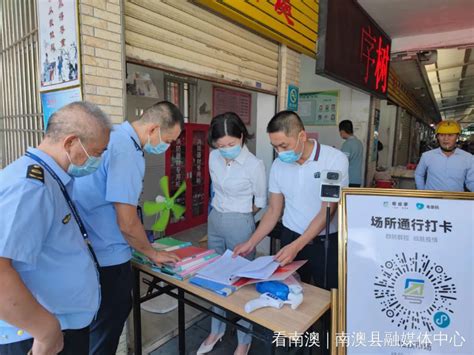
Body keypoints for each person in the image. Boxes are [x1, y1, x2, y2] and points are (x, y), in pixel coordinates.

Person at [0, 102, 112, 355]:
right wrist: (46, 331)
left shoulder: (48, 178)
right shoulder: (30, 186)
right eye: (97, 152)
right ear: (71, 143)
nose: (99, 160)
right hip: (38, 336)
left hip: (56, 327)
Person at [73, 101, 183, 354]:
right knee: (106, 327)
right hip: (108, 254)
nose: (168, 146)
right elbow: (127, 220)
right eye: (168, 139)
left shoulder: (112, 137)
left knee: (94, 326)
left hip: (89, 248)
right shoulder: (126, 150)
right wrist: (152, 253)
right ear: (154, 129)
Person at [234, 110, 348, 289]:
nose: (280, 152)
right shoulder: (279, 165)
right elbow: (273, 211)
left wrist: (298, 246)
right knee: (290, 293)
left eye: (284, 146)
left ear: (302, 136)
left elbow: (328, 209)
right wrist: (251, 242)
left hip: (324, 243)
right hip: (290, 237)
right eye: (275, 147)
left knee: (326, 297)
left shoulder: (333, 160)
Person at [197, 113, 267, 355]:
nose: (225, 149)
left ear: (241, 137)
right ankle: (216, 330)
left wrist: (242, 217)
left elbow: (260, 202)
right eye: (220, 145)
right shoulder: (214, 157)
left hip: (241, 222)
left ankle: (243, 339)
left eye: (231, 144)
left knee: (240, 281)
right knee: (214, 276)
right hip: (215, 219)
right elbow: (215, 190)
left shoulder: (254, 165)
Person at [415, 120, 473, 192]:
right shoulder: (427, 156)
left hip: (456, 200)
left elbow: (471, 181)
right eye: (442, 135)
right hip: (432, 200)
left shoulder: (468, 158)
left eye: (450, 135)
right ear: (437, 137)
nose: (446, 139)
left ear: (457, 137)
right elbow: (419, 175)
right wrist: (423, 193)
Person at [339, 120, 363, 187]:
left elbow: (343, 161)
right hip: (357, 179)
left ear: (342, 131)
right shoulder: (359, 142)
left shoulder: (347, 144)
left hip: (349, 179)